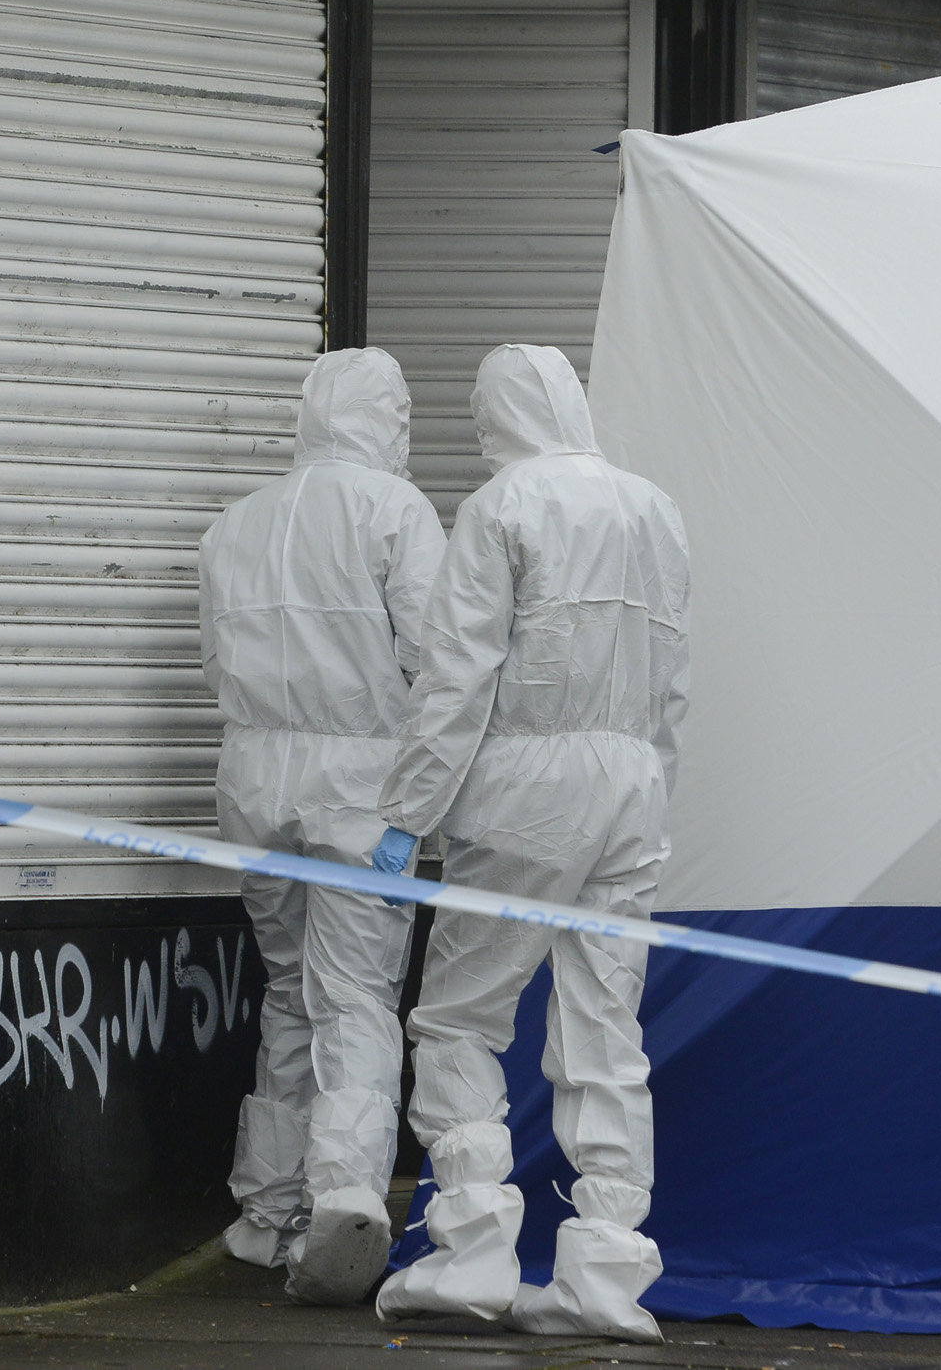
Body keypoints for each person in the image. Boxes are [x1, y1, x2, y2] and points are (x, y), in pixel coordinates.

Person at [368, 344, 691, 1341]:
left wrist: (406, 813)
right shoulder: (653, 508)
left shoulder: (501, 506)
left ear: (501, 413)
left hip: (526, 787)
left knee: (461, 1017)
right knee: (605, 1027)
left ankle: (468, 1250)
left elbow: (457, 678)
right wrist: (650, 783)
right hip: (632, 786)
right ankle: (604, 1273)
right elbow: (673, 670)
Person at [201, 348, 446, 1304]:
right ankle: (344, 1193)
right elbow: (437, 657)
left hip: (254, 789)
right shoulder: (395, 510)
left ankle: (267, 1213)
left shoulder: (234, 525)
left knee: (290, 995)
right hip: (361, 794)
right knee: (354, 998)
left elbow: (216, 670)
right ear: (382, 415)